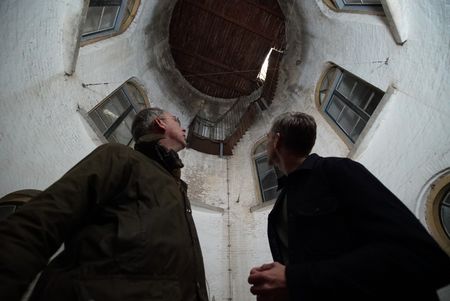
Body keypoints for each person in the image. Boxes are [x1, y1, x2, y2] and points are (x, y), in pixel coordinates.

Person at [0, 108, 208, 301]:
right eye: (176, 121)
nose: (183, 128)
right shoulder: (120, 157)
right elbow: (43, 220)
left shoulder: (178, 189)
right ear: (160, 123)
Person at [248, 112, 450, 301]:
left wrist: (294, 280)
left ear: (276, 140)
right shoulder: (280, 207)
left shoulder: (336, 170)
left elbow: (417, 255)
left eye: (267, 139)